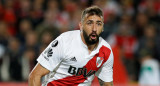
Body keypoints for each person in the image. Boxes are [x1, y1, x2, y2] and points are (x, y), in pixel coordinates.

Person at [29, 6, 114, 86]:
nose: (94, 28)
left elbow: (107, 84)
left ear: (102, 27)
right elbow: (35, 75)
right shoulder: (65, 41)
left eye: (98, 24)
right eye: (89, 23)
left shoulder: (106, 51)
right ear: (81, 26)